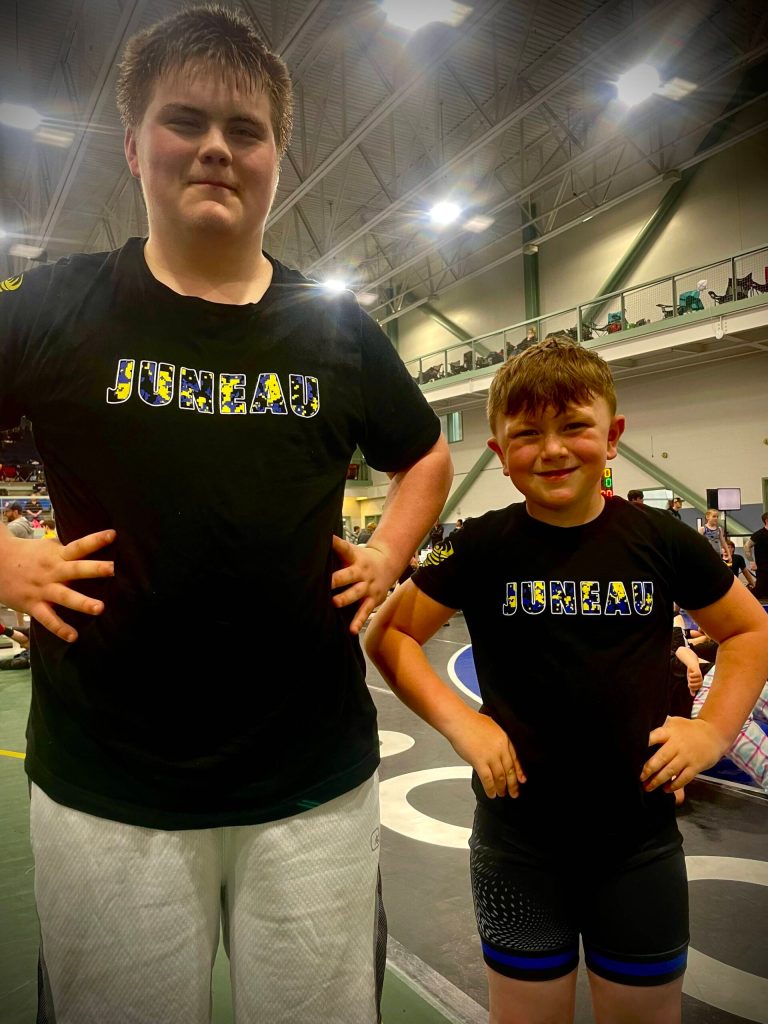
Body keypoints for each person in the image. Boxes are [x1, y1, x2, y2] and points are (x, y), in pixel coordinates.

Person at [0, 8, 452, 1024]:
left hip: (313, 790)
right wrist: (1, 558)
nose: (215, 146)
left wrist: (388, 549)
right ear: (132, 146)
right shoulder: (56, 306)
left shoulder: (335, 330)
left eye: (245, 131)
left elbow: (425, 449)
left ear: (278, 160)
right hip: (107, 791)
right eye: (185, 120)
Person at [366, 336, 768, 1024]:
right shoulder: (484, 544)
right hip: (517, 844)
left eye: (574, 427)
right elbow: (392, 635)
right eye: (527, 435)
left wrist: (711, 732)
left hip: (639, 844)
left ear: (612, 436)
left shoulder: (661, 540)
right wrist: (466, 725)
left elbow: (749, 629)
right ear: (498, 453)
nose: (552, 450)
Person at [744, 511, 768, 600]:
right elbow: (747, 546)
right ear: (766, 520)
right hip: (762, 567)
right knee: (760, 590)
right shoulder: (758, 534)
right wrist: (751, 561)